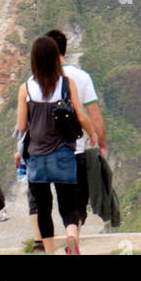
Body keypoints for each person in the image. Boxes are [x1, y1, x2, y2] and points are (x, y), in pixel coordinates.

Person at [15, 35, 95, 255]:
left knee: (43, 208)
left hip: (37, 156)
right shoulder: (66, 84)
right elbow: (81, 115)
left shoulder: (26, 88)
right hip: (63, 153)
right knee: (68, 204)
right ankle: (71, 235)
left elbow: (21, 125)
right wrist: (92, 134)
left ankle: (49, 252)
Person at [43, 29, 106, 240]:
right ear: (65, 49)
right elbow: (93, 113)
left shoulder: (37, 79)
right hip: (76, 148)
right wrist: (101, 141)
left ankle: (44, 241)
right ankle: (74, 234)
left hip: (45, 149)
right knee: (77, 197)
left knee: (49, 199)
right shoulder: (81, 77)